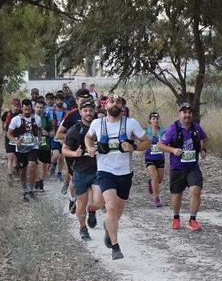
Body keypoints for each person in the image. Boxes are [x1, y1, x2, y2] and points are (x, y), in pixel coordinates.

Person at [84, 94, 150, 260]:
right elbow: (88, 137)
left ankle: (109, 230)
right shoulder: (97, 123)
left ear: (123, 107)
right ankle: (115, 246)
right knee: (111, 206)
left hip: (125, 173)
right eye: (111, 101)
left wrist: (133, 146)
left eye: (118, 102)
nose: (115, 104)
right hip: (105, 171)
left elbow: (146, 142)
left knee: (116, 214)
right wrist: (90, 148)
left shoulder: (131, 123)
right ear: (105, 106)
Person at [156, 102, 207, 231]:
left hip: (193, 167)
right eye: (184, 113)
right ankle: (176, 218)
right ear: (179, 114)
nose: (187, 115)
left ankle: (192, 220)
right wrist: (173, 150)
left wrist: (203, 149)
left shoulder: (196, 128)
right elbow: (160, 145)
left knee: (196, 191)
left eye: (189, 113)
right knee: (176, 195)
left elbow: (204, 138)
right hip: (177, 168)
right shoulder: (173, 128)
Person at [62, 99, 99, 241]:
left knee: (100, 201)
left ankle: (93, 210)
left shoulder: (100, 127)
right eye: (85, 110)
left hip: (98, 170)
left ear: (94, 112)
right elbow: (64, 150)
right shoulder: (74, 130)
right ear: (80, 112)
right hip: (81, 171)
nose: (88, 113)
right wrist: (75, 154)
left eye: (90, 110)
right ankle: (83, 228)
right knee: (81, 203)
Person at [6, 99, 43, 202]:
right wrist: (15, 140)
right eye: (25, 109)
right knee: (23, 170)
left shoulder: (37, 119)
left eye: (29, 109)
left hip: (33, 147)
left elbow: (39, 130)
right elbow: (8, 133)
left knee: (32, 167)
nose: (27, 112)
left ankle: (31, 190)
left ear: (32, 109)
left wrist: (39, 139)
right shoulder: (16, 119)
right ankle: (24, 190)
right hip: (21, 148)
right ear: (22, 108)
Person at [143, 112, 166, 207]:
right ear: (150, 121)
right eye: (153, 119)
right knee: (155, 177)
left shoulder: (163, 131)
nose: (155, 120)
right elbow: (141, 142)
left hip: (160, 157)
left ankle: (151, 182)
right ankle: (156, 199)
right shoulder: (146, 132)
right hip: (150, 158)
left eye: (157, 118)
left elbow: (167, 142)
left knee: (159, 180)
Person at [1, 99, 21, 182]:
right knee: (10, 156)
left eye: (18, 106)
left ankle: (17, 171)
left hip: (19, 138)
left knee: (17, 157)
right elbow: (2, 122)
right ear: (11, 105)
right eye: (14, 106)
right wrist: (4, 128)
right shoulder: (6, 114)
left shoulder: (21, 114)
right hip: (9, 137)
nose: (16, 108)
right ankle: (10, 175)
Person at [34, 99, 53, 192]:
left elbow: (53, 133)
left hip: (44, 144)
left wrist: (48, 133)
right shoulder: (31, 118)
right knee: (34, 163)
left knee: (44, 164)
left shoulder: (47, 118)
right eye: (37, 107)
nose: (39, 109)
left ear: (44, 109)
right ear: (34, 107)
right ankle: (37, 180)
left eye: (41, 108)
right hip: (33, 144)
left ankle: (41, 180)